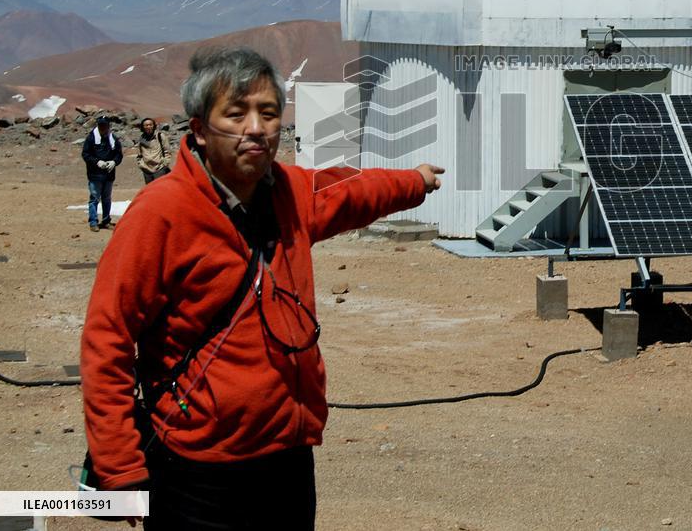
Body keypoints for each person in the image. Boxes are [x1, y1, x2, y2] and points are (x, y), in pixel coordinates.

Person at [80, 46, 443, 530]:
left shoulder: (291, 193)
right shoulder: (161, 213)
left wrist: (414, 181)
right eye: (236, 113)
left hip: (288, 460)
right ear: (200, 130)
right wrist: (121, 466)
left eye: (268, 113)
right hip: (197, 472)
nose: (256, 127)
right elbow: (108, 339)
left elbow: (353, 190)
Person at [81, 114, 124, 232]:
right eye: (101, 126)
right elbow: (85, 154)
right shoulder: (91, 138)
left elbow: (119, 154)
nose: (103, 128)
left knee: (106, 198)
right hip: (95, 175)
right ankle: (93, 222)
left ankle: (106, 221)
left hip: (109, 174)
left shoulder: (113, 139)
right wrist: (97, 162)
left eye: (105, 126)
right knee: (94, 198)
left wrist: (114, 162)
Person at [136, 117, 172, 184]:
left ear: (154, 126)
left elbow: (167, 152)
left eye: (150, 125)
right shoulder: (141, 138)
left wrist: (165, 164)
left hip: (159, 168)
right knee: (150, 190)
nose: (148, 127)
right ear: (143, 127)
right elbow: (139, 154)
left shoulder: (160, 136)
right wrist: (141, 164)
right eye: (146, 125)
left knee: (159, 189)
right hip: (146, 169)